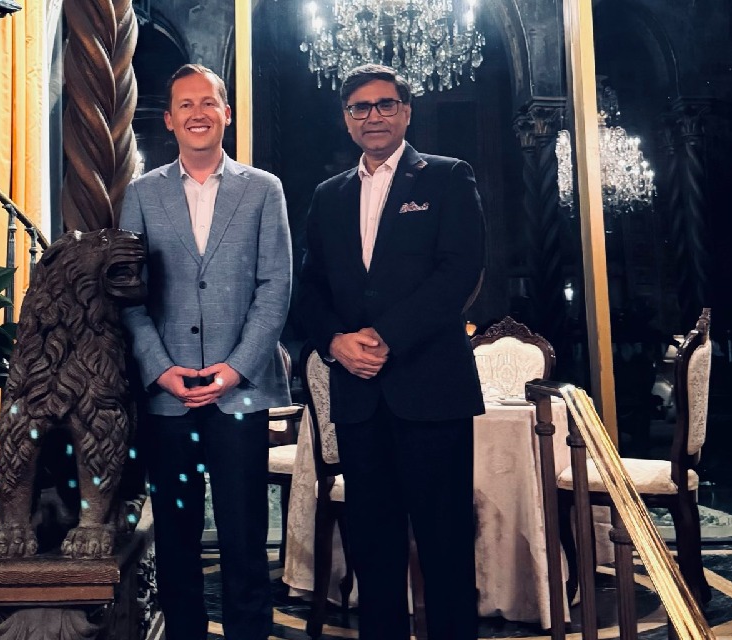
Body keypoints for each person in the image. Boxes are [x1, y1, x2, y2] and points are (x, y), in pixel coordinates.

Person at [296, 64, 485, 640]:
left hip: (431, 391)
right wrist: (334, 341)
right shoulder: (328, 195)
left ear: (406, 112)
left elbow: (459, 273)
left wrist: (385, 337)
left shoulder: (448, 177)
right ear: (346, 119)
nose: (372, 115)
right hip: (358, 396)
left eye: (384, 104)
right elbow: (310, 289)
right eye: (360, 107)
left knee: (446, 546)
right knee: (373, 551)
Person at [120, 64, 292, 640]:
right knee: (175, 538)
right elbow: (128, 295)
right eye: (185, 104)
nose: (198, 113)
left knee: (245, 539)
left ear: (226, 113)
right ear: (169, 119)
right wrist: (160, 369)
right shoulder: (142, 194)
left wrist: (237, 367)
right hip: (167, 395)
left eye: (208, 102)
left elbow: (275, 287)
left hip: (239, 393)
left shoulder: (263, 189)